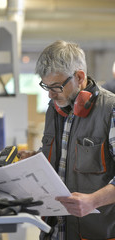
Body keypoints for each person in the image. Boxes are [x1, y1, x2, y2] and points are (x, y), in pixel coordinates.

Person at [19, 40, 115, 240]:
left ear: (79, 77)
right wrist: (36, 157)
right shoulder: (54, 110)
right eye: (46, 86)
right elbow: (64, 157)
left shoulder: (110, 111)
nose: (50, 94)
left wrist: (93, 201)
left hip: (94, 234)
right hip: (53, 231)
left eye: (56, 86)